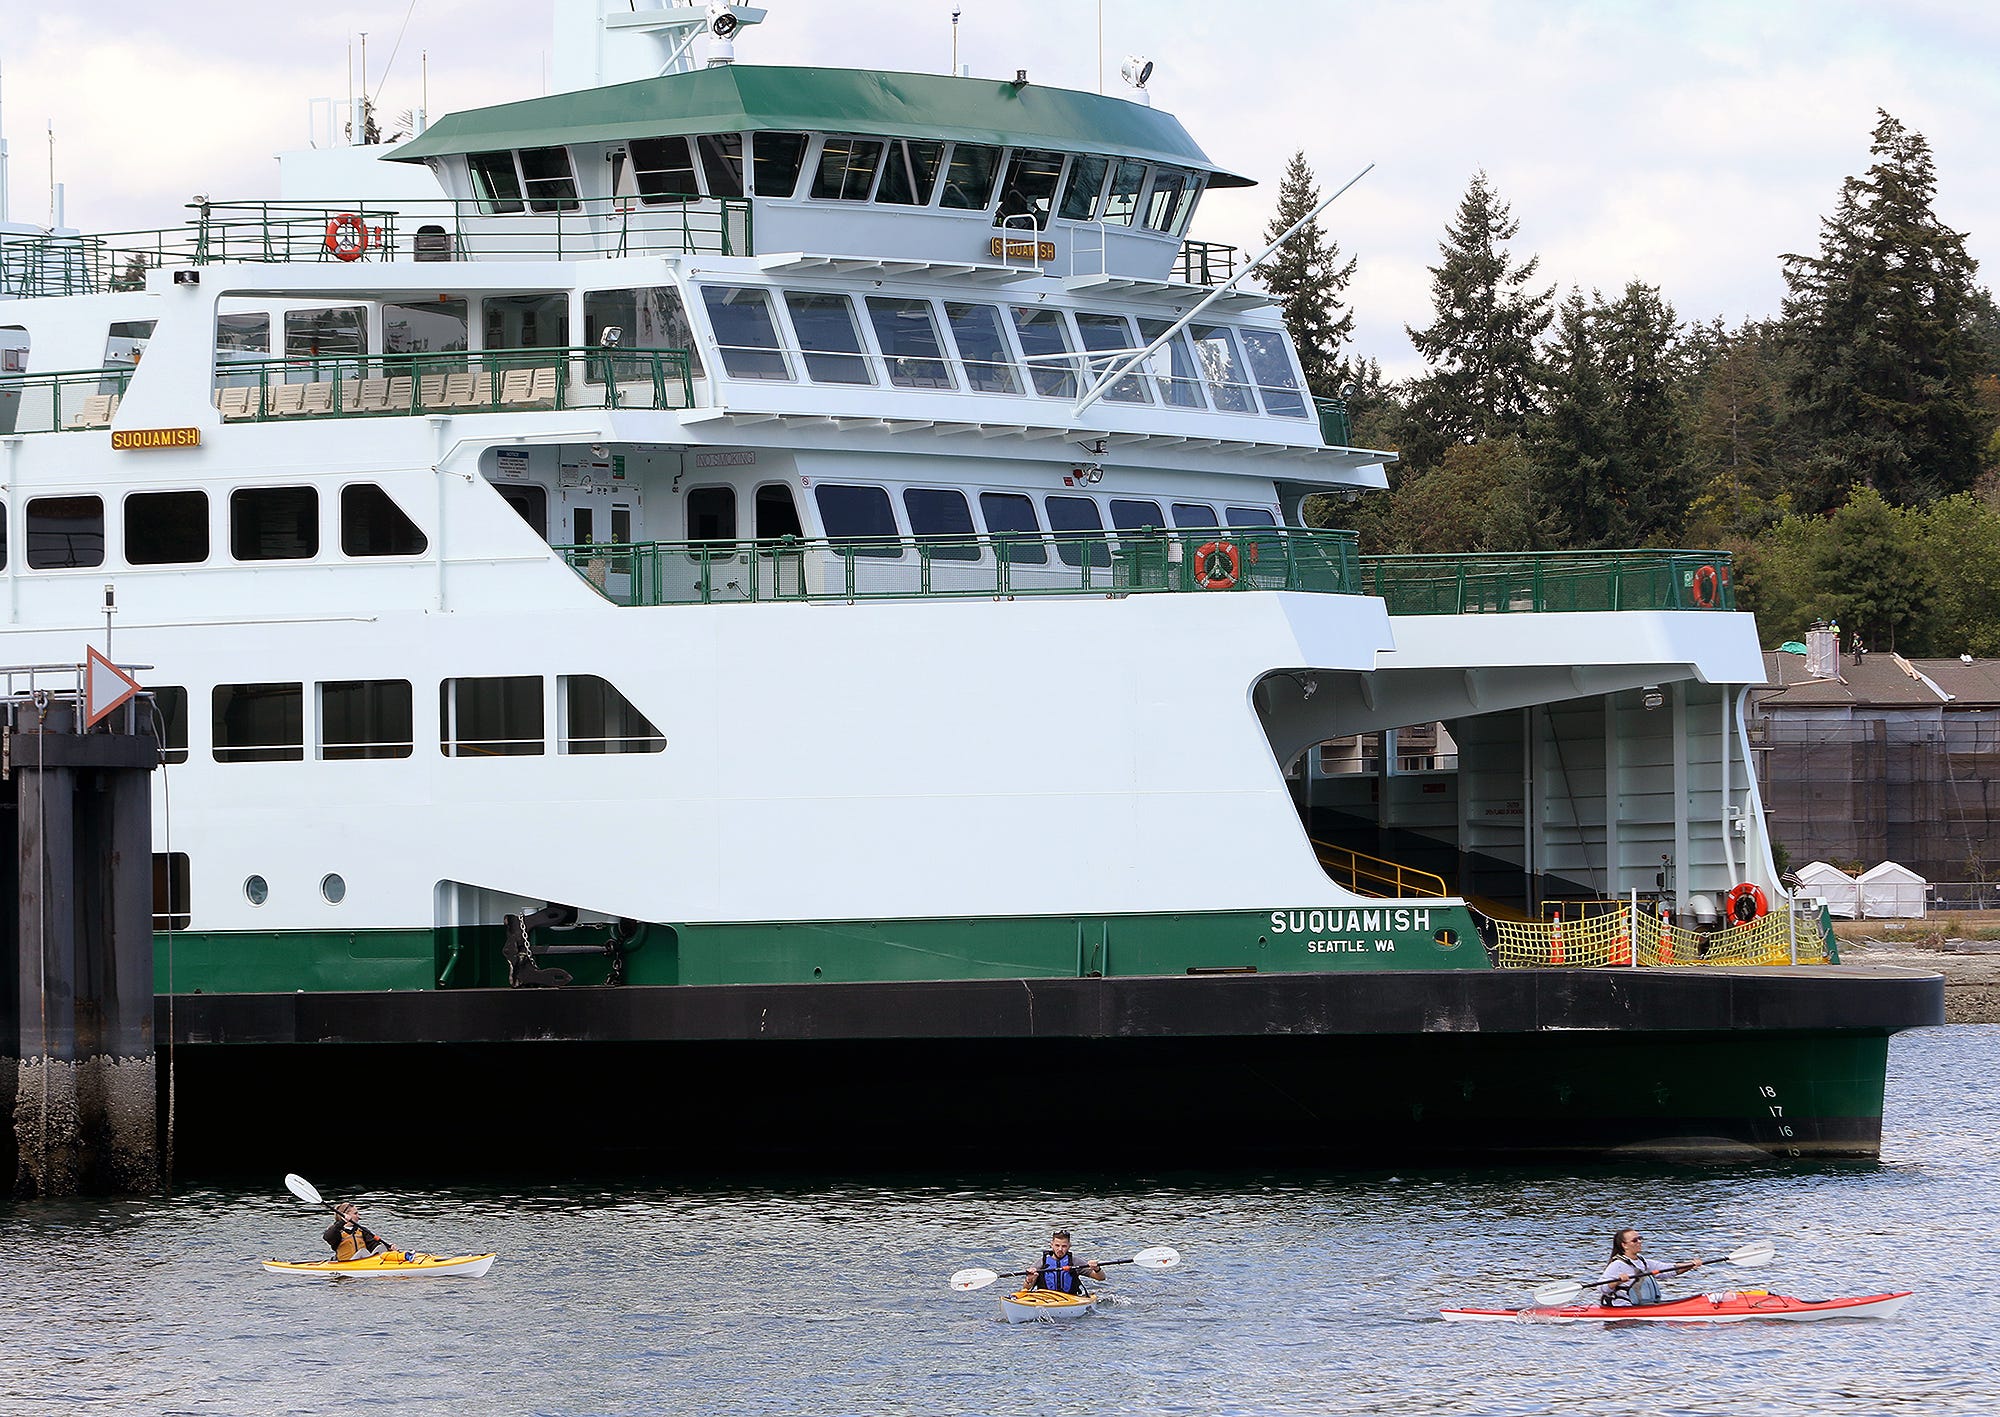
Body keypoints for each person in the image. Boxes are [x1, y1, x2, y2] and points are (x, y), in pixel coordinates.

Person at [1600, 1228, 1700, 1307]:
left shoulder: (1643, 1262)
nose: (1639, 1242)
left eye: (1640, 1238)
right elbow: (1602, 1288)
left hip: (1643, 1306)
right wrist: (1617, 1282)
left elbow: (1668, 1270)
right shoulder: (1617, 1265)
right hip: (1624, 1308)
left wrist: (1691, 1264)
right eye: (1635, 1240)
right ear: (1624, 1245)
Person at [1025, 1231, 1104, 1295]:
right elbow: (1026, 1288)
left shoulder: (1075, 1262)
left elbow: (1101, 1278)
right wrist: (1029, 1280)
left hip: (1070, 1299)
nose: (1060, 1249)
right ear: (1051, 1245)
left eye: (1064, 1246)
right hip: (1046, 1300)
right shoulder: (1041, 1263)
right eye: (1057, 1245)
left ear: (1069, 1246)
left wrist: (1097, 1269)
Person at [324, 1201, 396, 1262]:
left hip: (363, 1262)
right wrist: (342, 1222)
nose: (359, 1216)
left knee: (382, 1247)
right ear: (345, 1214)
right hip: (346, 1263)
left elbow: (373, 1245)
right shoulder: (336, 1230)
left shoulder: (361, 1230)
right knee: (362, 1252)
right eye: (355, 1213)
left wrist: (388, 1248)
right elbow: (328, 1237)